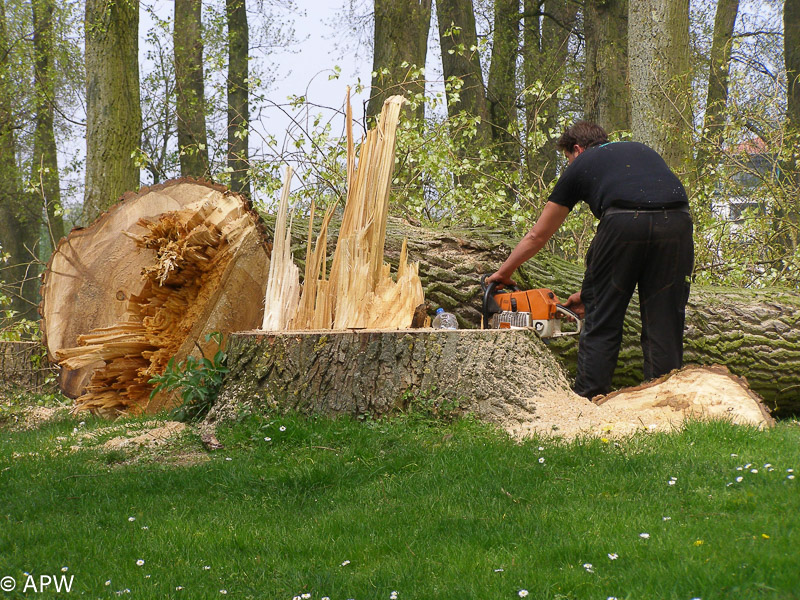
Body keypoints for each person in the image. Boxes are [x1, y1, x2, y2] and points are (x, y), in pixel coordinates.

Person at [486, 121, 694, 399]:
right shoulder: (640, 151)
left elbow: (538, 235)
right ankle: (666, 405)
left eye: (568, 159)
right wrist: (590, 293)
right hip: (678, 223)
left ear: (577, 149)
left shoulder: (582, 164)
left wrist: (502, 273)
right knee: (665, 321)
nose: (569, 164)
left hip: (623, 220)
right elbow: (648, 229)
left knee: (602, 322)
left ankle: (590, 402)